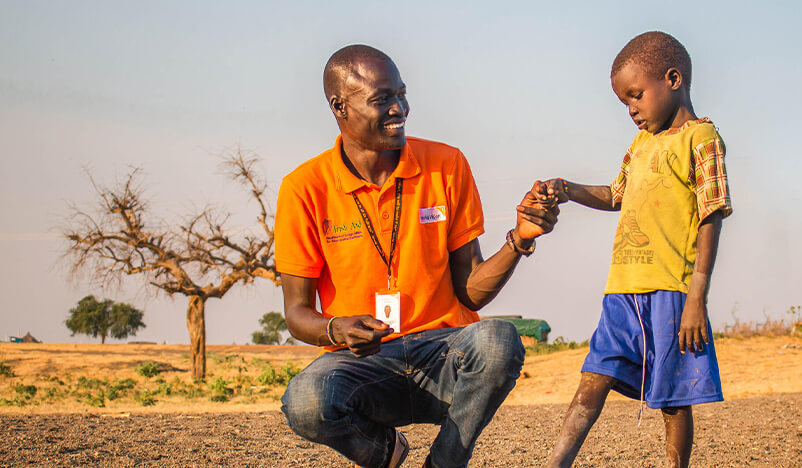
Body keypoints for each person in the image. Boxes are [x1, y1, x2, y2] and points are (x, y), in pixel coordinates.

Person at [275, 44, 559, 468]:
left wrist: (518, 240)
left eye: (402, 94)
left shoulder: (446, 164)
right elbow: (297, 314)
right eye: (382, 99)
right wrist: (338, 327)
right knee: (305, 401)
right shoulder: (303, 188)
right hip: (364, 365)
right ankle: (386, 453)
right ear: (339, 106)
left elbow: (472, 293)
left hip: (444, 354)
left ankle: (444, 463)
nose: (399, 108)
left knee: (499, 341)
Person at [545, 31, 732, 468]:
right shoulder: (640, 144)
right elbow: (617, 195)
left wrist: (696, 300)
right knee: (593, 378)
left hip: (672, 291)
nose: (631, 110)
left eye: (636, 95)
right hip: (622, 290)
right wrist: (569, 189)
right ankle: (555, 463)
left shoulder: (701, 139)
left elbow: (712, 216)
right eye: (624, 102)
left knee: (672, 397)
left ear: (672, 79)